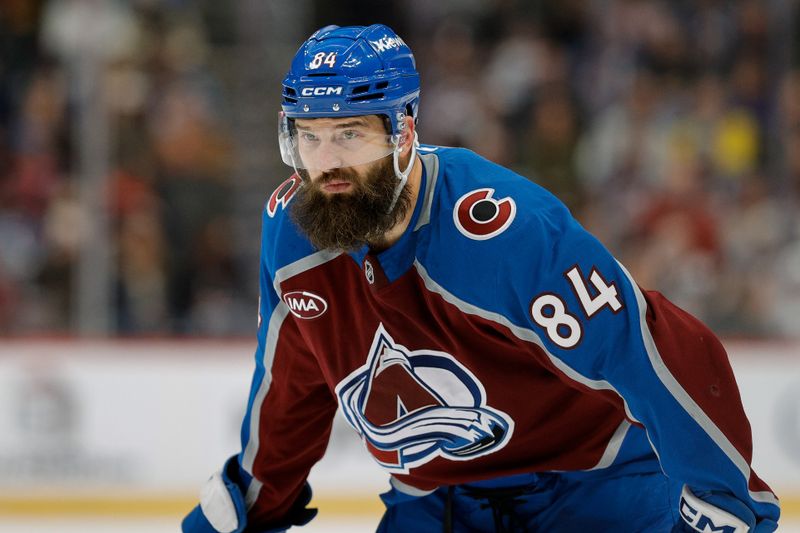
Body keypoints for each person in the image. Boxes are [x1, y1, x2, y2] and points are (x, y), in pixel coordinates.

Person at [182, 24, 780, 533]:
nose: (327, 162)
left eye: (350, 134)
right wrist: (255, 496)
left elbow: (651, 349)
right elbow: (288, 381)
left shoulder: (504, 233)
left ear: (404, 132)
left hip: (592, 485)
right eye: (308, 136)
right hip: (438, 502)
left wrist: (724, 500)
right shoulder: (293, 235)